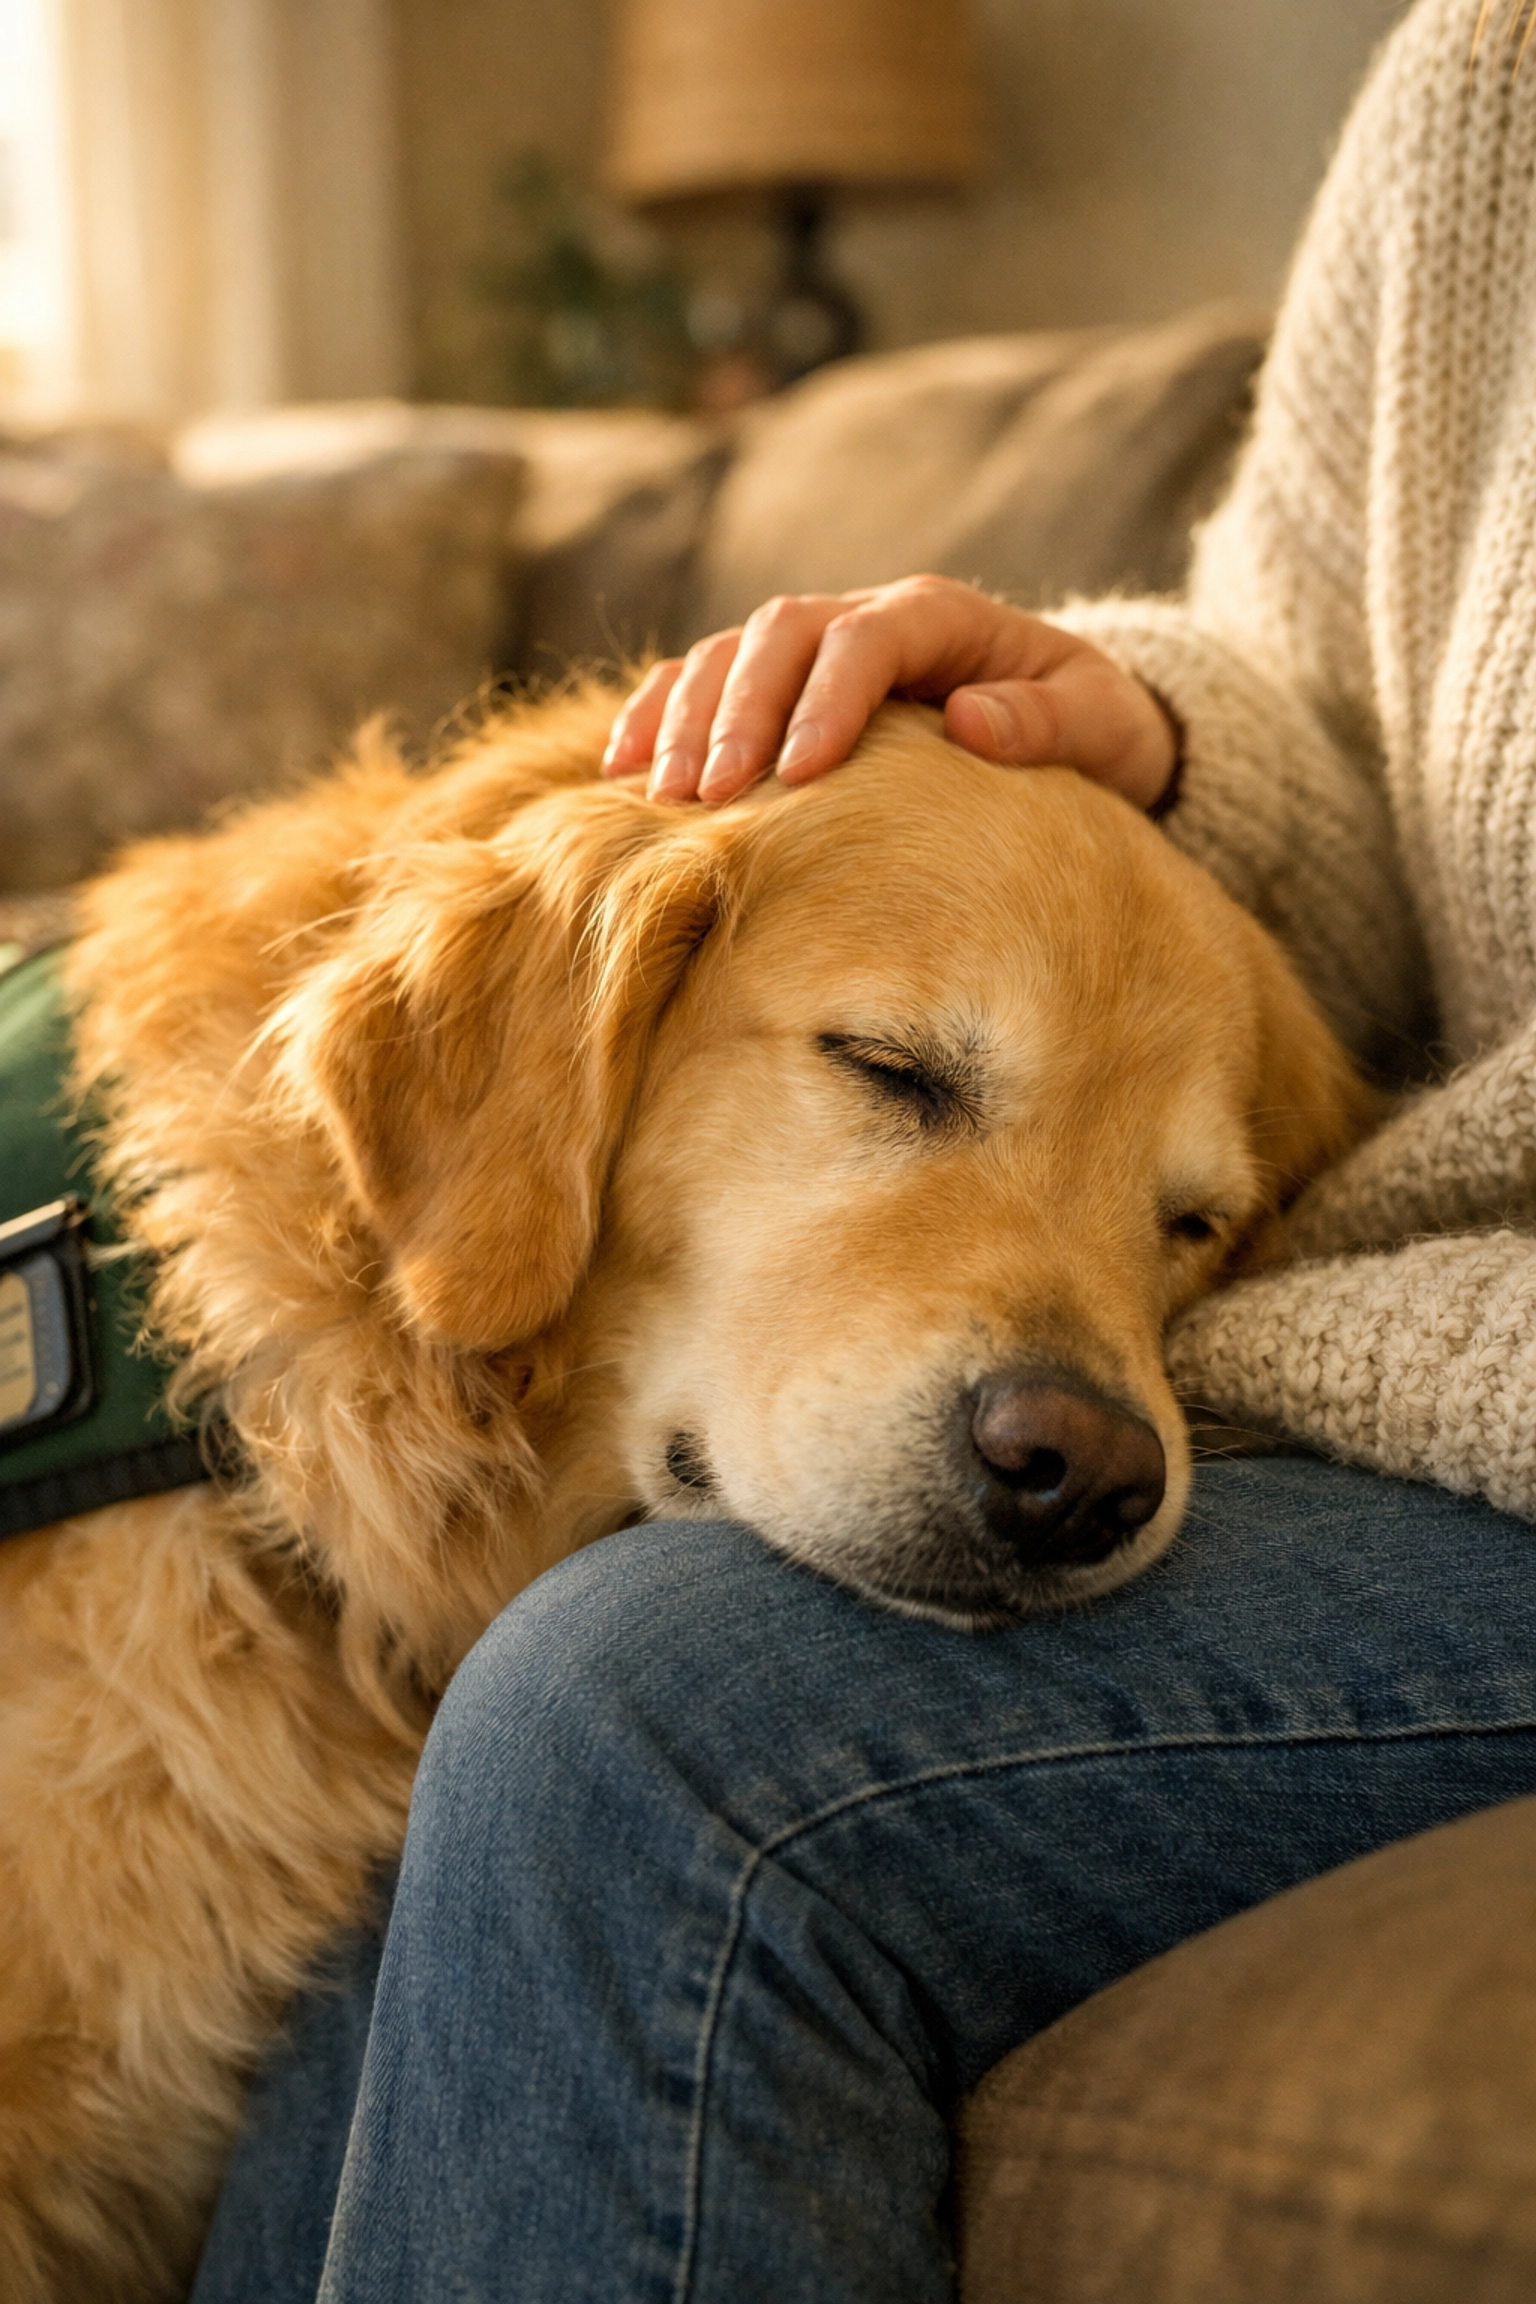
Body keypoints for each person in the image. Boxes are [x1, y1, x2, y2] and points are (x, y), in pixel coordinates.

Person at [192, 0, 1536, 2296]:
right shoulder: (1491, 74)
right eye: (902, 1078)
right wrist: (1150, 744)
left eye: (1175, 1221)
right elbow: (1343, 707)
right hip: (1393, 1347)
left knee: (641, 1718)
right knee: (377, 1900)